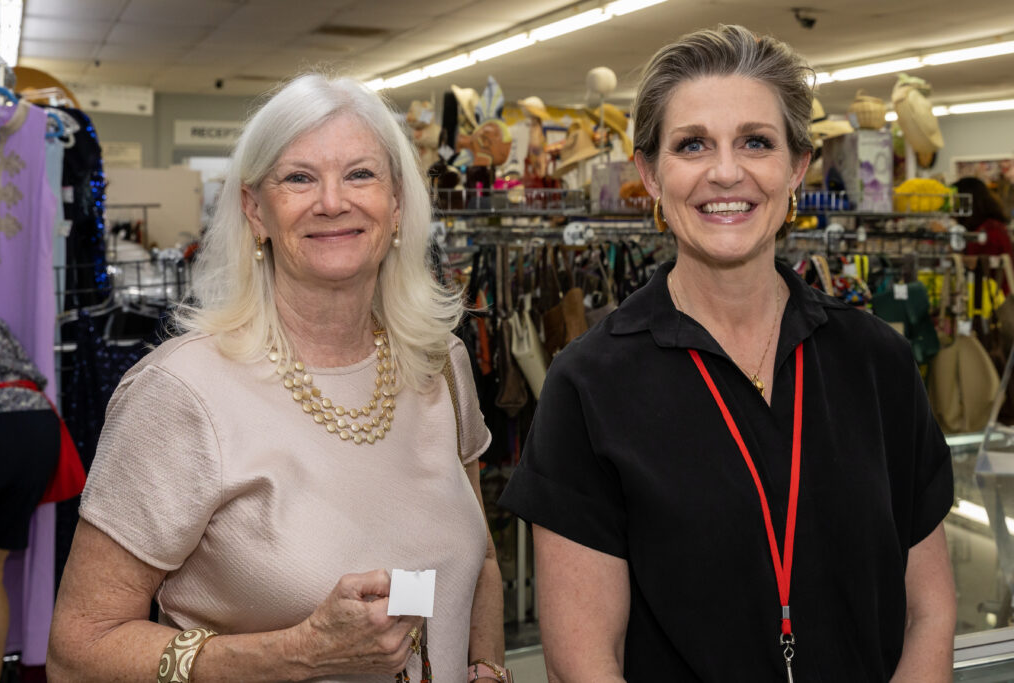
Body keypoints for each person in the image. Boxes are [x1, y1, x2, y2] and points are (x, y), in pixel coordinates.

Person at [499, 24, 955, 682]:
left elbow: (931, 611)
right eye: (692, 145)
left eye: (756, 142)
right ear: (650, 174)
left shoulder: (876, 362)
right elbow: (584, 663)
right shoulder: (589, 386)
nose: (725, 171)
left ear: (796, 166)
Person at [47, 74, 509, 683]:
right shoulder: (180, 393)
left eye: (361, 174)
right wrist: (296, 653)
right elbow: (78, 650)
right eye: (298, 177)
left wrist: (487, 665)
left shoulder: (440, 363)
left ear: (398, 203)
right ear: (254, 209)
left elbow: (479, 559)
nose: (332, 201)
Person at [955, 176, 1013, 257]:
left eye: (956, 201)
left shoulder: (989, 230)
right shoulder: (991, 225)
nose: (954, 208)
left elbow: (980, 264)